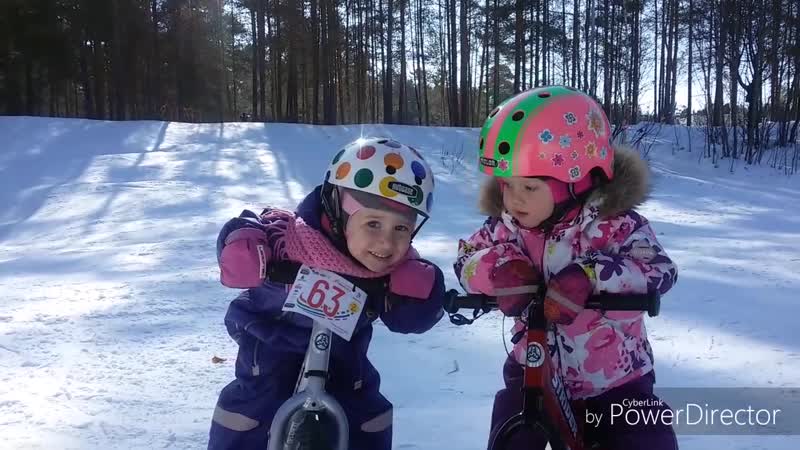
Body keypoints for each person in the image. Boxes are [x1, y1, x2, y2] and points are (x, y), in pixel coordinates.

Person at [454, 86, 679, 449]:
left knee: (644, 437)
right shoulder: (505, 226)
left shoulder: (615, 225)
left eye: (529, 186)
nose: (514, 199)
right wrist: (499, 270)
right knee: (511, 431)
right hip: (533, 367)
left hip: (615, 380)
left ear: (578, 179)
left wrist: (593, 277)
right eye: (507, 185)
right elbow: (466, 259)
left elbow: (659, 270)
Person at [208, 137, 446, 450]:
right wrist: (242, 243)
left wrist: (420, 294)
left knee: (367, 412)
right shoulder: (287, 236)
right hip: (271, 340)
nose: (387, 244)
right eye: (373, 223)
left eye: (401, 229)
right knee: (255, 404)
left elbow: (410, 317)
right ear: (337, 210)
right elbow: (249, 223)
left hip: (343, 353)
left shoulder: (394, 266)